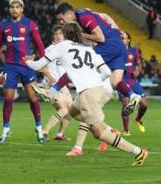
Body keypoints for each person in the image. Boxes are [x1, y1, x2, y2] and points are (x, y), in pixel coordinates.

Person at [28, 23, 149, 166]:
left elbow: (37, 66)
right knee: (71, 112)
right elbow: (107, 73)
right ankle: (109, 129)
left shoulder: (62, 46)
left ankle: (138, 152)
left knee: (97, 132)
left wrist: (27, 61)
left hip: (88, 93)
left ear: (65, 35)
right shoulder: (89, 49)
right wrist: (90, 78)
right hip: (98, 89)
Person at [54, 2, 141, 115]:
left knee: (79, 65)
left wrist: (80, 35)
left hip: (109, 45)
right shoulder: (84, 10)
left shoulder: (83, 18)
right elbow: (105, 15)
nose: (61, 22)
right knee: (115, 82)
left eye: (61, 19)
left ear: (69, 14)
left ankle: (53, 89)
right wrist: (118, 30)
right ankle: (133, 96)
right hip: (120, 46)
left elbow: (100, 38)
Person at [0, 0, 46, 144]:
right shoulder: (3, 26)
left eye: (17, 7)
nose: (14, 9)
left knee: (33, 98)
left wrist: (44, 62)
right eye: (12, 7)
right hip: (10, 66)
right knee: (8, 98)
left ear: (22, 9)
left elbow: (39, 44)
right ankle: (6, 128)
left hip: (27, 65)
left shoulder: (29, 24)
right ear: (9, 9)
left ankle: (39, 128)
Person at [40, 25, 72, 141]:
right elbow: (42, 67)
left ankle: (59, 134)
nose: (58, 36)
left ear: (64, 36)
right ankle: (44, 132)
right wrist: (49, 76)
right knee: (63, 109)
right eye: (56, 34)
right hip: (50, 85)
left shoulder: (67, 50)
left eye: (60, 33)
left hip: (63, 86)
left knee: (70, 112)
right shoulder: (49, 50)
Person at [118, 31, 148, 137]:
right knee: (126, 102)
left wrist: (137, 71)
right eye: (120, 37)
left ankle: (138, 119)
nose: (121, 38)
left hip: (132, 81)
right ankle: (126, 130)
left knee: (144, 105)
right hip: (121, 80)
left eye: (123, 37)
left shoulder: (134, 51)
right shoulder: (116, 51)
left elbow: (139, 64)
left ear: (128, 40)